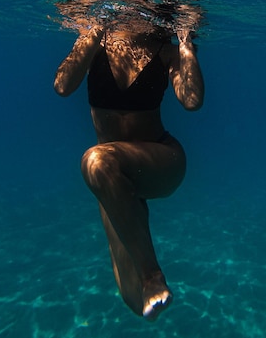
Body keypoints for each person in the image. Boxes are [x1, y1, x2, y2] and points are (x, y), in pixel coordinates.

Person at [54, 22, 204, 320]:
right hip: (112, 172)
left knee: (94, 160)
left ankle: (153, 275)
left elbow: (191, 100)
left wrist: (186, 44)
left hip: (161, 160)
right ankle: (146, 287)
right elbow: (62, 85)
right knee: (133, 299)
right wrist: (92, 34)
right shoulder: (94, 41)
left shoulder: (166, 51)